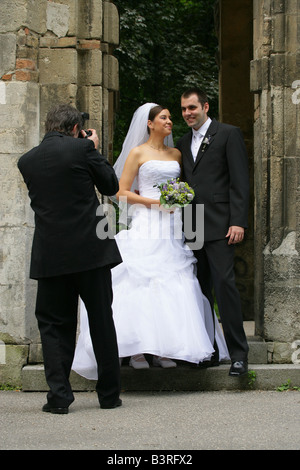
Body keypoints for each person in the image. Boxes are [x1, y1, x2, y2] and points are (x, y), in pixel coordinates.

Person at [72, 103, 229, 377]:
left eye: (170, 117)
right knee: (140, 280)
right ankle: (137, 349)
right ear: (150, 123)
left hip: (173, 225)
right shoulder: (137, 153)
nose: (170, 121)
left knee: (174, 279)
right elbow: (121, 193)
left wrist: (180, 198)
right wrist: (153, 202)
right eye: (164, 118)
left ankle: (165, 348)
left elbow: (185, 187)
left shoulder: (177, 154)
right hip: (147, 222)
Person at [18, 104, 123, 413]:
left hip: (51, 255)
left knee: (53, 326)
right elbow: (111, 186)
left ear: (49, 126)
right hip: (91, 252)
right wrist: (92, 148)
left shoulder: (27, 161)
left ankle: (59, 398)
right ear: (77, 128)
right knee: (102, 321)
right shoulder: (82, 149)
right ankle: (108, 396)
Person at [176, 87, 249, 376]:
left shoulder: (228, 134)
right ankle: (209, 351)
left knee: (225, 287)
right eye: (183, 109)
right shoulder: (182, 142)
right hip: (192, 224)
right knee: (200, 291)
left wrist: (238, 221)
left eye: (192, 108)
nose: (187, 114)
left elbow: (239, 181)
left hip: (221, 224)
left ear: (206, 106)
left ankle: (238, 355)